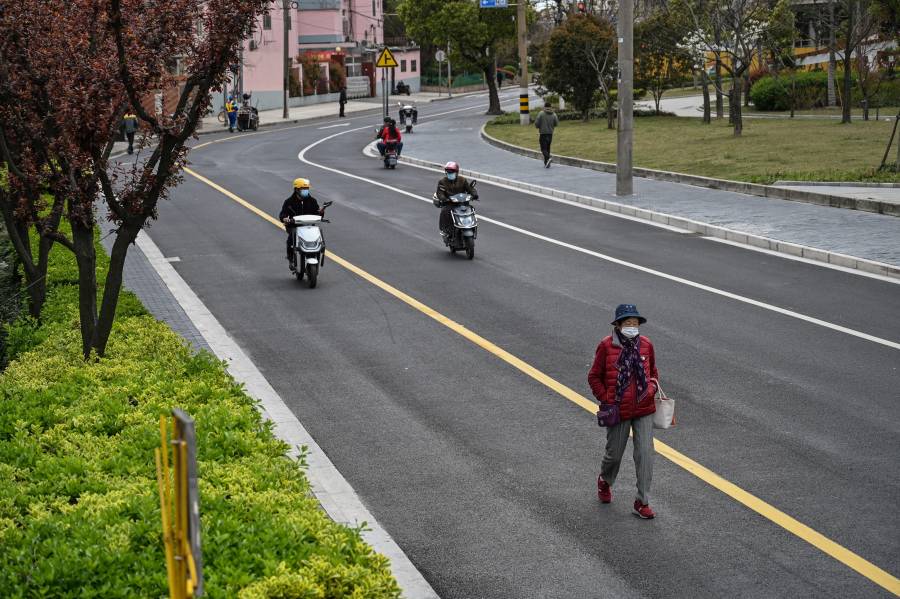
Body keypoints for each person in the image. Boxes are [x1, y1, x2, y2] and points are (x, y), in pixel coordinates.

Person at [588, 304, 660, 519]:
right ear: (618, 325)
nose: (632, 327)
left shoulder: (646, 345)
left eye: (635, 323)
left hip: (643, 408)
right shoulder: (606, 346)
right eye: (628, 323)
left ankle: (642, 501)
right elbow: (593, 376)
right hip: (618, 410)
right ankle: (605, 480)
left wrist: (651, 388)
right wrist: (607, 398)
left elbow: (654, 373)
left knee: (645, 454)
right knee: (614, 456)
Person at [279, 178, 323, 268]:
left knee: (319, 237)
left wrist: (321, 212)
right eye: (303, 189)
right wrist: (285, 219)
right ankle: (291, 259)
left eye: (307, 189)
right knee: (291, 239)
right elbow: (283, 214)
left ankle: (317, 253)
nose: (305, 191)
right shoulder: (289, 202)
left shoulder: (312, 201)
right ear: (296, 189)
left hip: (309, 225)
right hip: (294, 226)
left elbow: (317, 214)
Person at [434, 161, 477, 237]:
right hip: (449, 203)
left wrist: (474, 194)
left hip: (462, 203)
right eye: (448, 172)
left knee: (471, 209)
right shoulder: (442, 182)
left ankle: (472, 226)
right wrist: (444, 199)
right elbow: (440, 193)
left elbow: (470, 189)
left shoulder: (462, 180)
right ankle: (445, 230)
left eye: (452, 172)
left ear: (456, 172)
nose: (450, 173)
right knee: (444, 211)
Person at [534, 100, 559, 168]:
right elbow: (556, 123)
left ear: (544, 107)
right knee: (548, 148)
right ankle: (547, 163)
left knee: (543, 149)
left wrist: (538, 126)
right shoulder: (554, 114)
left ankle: (548, 157)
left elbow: (536, 123)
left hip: (543, 134)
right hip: (550, 134)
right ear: (550, 107)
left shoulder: (541, 113)